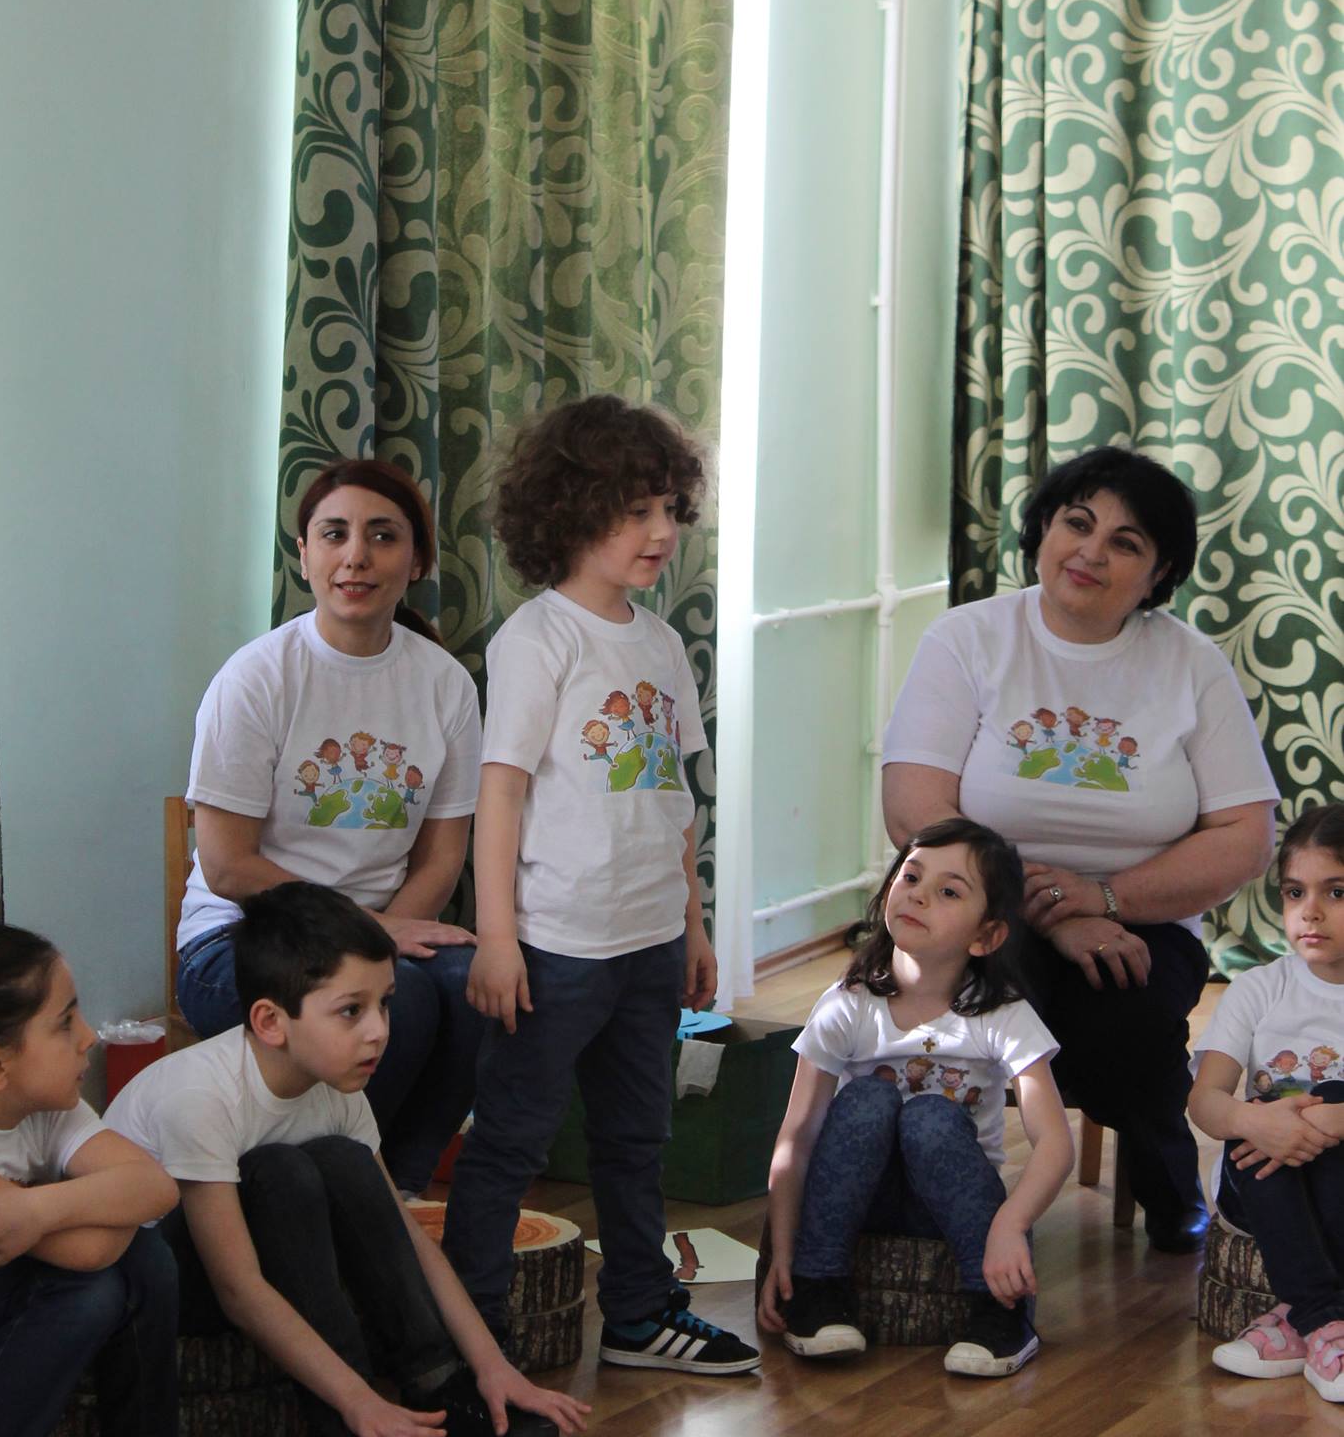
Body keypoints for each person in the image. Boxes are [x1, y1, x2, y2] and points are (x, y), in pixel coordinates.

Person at [881, 446, 1278, 1252]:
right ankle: (947, 1200)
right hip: (975, 911)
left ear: (1158, 573)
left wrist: (1102, 900)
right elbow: (914, 810)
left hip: (1138, 916)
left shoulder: (1189, 664)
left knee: (1126, 1011)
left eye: (1124, 543)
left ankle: (1170, 1188)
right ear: (1042, 530)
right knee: (999, 990)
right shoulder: (968, 638)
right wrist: (1054, 913)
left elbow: (1246, 836)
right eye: (1077, 523)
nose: (1091, 552)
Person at [441, 395, 759, 1375]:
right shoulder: (538, 639)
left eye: (668, 508)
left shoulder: (660, 643)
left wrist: (694, 923)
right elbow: (499, 795)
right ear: (570, 511)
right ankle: (470, 1337)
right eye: (634, 510)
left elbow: (675, 797)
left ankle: (636, 1314)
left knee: (636, 1139)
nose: (661, 531)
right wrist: (498, 936)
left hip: (650, 940)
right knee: (511, 1141)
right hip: (556, 946)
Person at [106, 884, 590, 1437]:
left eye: (384, 1004)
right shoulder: (201, 1098)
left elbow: (406, 1237)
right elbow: (238, 1288)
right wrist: (358, 1398)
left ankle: (438, 1380)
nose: (379, 1031)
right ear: (270, 1022)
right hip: (162, 1292)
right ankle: (339, 1420)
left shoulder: (337, 1088)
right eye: (350, 1011)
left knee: (343, 1160)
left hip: (252, 1266)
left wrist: (492, 1365)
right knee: (280, 1171)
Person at [175, 457, 483, 1198]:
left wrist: (380, 935)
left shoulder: (444, 683)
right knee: (397, 1006)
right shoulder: (257, 677)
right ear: (305, 554)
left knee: (476, 985)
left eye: (382, 536)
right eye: (334, 534)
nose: (356, 556)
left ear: (416, 561)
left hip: (380, 928)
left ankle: (395, 1192)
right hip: (240, 940)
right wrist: (369, 931)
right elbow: (227, 866)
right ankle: (341, 1193)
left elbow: (442, 856)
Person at [0, 925, 243, 1437]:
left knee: (144, 1257)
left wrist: (35, 1210)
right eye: (64, 1023)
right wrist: (90, 1205)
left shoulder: (47, 1109)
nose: (89, 1037)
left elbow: (152, 1187)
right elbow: (94, 1244)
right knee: (100, 1280)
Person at [758, 818, 1073, 1377]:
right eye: (911, 876)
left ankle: (1000, 1311)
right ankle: (818, 1287)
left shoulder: (1001, 1014)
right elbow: (797, 1138)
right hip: (860, 1200)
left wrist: (1011, 1224)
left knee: (929, 1116)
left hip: (947, 1204)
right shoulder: (848, 1004)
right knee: (868, 1101)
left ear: (986, 937)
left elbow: (1054, 1143)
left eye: (948, 892)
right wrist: (781, 1251)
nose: (919, 895)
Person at [1190, 805, 1344, 1399]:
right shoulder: (1259, 988)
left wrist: (1334, 1116)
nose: (1311, 911)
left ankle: (1299, 1321)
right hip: (1261, 1185)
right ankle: (1326, 1322)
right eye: (1295, 892)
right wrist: (1258, 1122)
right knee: (1252, 1122)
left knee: (1331, 1094)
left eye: (1336, 892)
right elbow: (1205, 1101)